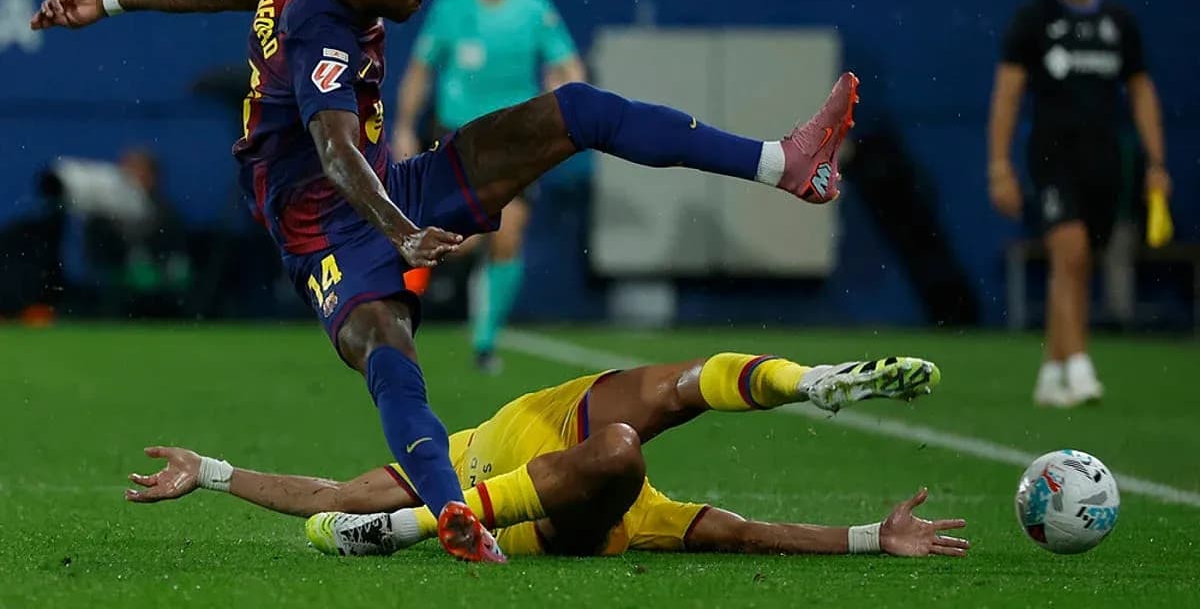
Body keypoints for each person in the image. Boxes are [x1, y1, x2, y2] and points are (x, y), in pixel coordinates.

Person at [31, 0, 857, 564]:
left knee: (577, 111)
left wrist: (106, 0)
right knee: (389, 354)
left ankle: (784, 165)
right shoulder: (325, 39)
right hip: (322, 226)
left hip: (392, 187)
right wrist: (400, 232)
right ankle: (453, 510)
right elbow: (333, 148)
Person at [124, 352, 965, 559]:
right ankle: (809, 379)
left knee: (641, 424)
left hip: (555, 463)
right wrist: (214, 473)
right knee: (643, 425)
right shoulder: (633, 520)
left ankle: (428, 528)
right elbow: (321, 498)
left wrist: (868, 539)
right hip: (534, 485)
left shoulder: (446, 451)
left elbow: (751, 533)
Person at [987, 0, 1170, 408]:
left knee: (1079, 263)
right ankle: (1080, 364)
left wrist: (1156, 162)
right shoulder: (1034, 20)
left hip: (1105, 160)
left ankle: (1050, 371)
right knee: (1068, 255)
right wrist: (999, 165)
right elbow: (1006, 97)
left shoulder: (1119, 25)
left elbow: (1142, 93)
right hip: (1051, 156)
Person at [393, 0, 585, 373]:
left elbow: (567, 65)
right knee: (439, 240)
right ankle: (392, 318)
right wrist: (403, 125)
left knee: (509, 235)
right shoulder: (451, 8)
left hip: (514, 141)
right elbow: (420, 71)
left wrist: (570, 96)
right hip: (456, 137)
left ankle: (484, 342)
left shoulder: (535, 9)